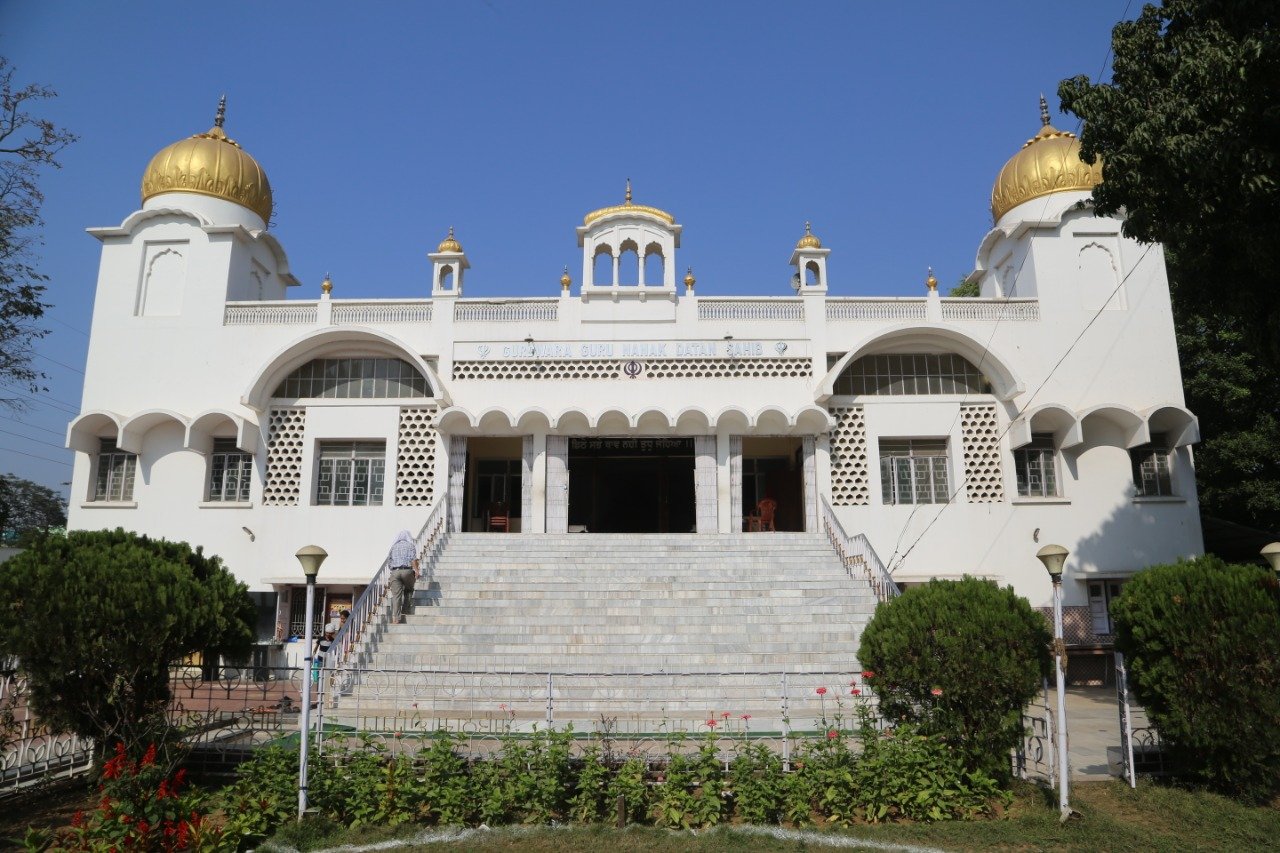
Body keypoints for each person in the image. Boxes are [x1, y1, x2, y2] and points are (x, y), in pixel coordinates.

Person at [387, 530, 419, 624]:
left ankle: (396, 619)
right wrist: (416, 571)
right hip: (407, 571)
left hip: (395, 571)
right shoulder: (410, 546)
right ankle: (405, 609)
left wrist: (393, 570)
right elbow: (413, 560)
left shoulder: (393, 546)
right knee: (409, 589)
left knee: (396, 596)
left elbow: (389, 561)